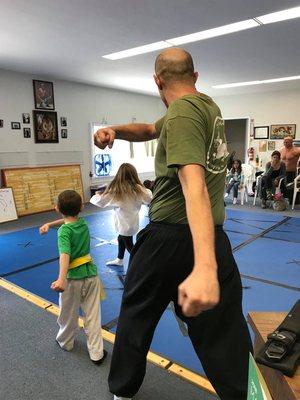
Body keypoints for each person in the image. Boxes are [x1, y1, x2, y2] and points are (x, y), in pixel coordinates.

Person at [94, 48, 252, 400]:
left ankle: (121, 391)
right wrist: (115, 130)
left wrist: (205, 269)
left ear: (157, 81)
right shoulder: (207, 108)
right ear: (195, 77)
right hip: (212, 234)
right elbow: (151, 128)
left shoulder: (180, 114)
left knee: (135, 316)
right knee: (226, 335)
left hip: (167, 238)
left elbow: (192, 183)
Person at [39, 190, 107, 364]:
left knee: (68, 314)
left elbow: (65, 255)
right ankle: (96, 353)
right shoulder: (82, 223)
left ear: (56, 208)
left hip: (72, 280)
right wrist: (49, 223)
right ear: (82, 208)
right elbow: (68, 219)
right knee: (93, 315)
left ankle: (66, 342)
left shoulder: (63, 231)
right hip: (91, 276)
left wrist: (61, 279)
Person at [90, 163, 152, 267]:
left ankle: (142, 264)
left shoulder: (117, 189)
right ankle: (120, 259)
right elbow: (149, 198)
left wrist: (96, 195)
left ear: (119, 175)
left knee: (130, 246)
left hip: (123, 223)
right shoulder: (138, 188)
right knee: (121, 238)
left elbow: (101, 202)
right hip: (132, 222)